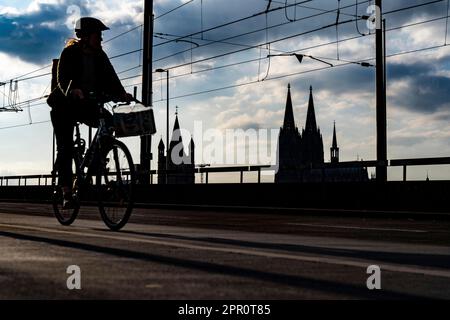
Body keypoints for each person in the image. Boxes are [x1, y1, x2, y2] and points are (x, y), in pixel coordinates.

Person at [47, 17, 132, 209]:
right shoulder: (70, 53)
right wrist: (73, 90)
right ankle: (66, 192)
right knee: (66, 148)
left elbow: (112, 78)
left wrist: (121, 93)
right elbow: (63, 78)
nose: (101, 39)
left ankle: (96, 163)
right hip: (64, 106)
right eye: (98, 35)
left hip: (86, 104)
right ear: (85, 36)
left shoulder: (100, 56)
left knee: (109, 121)